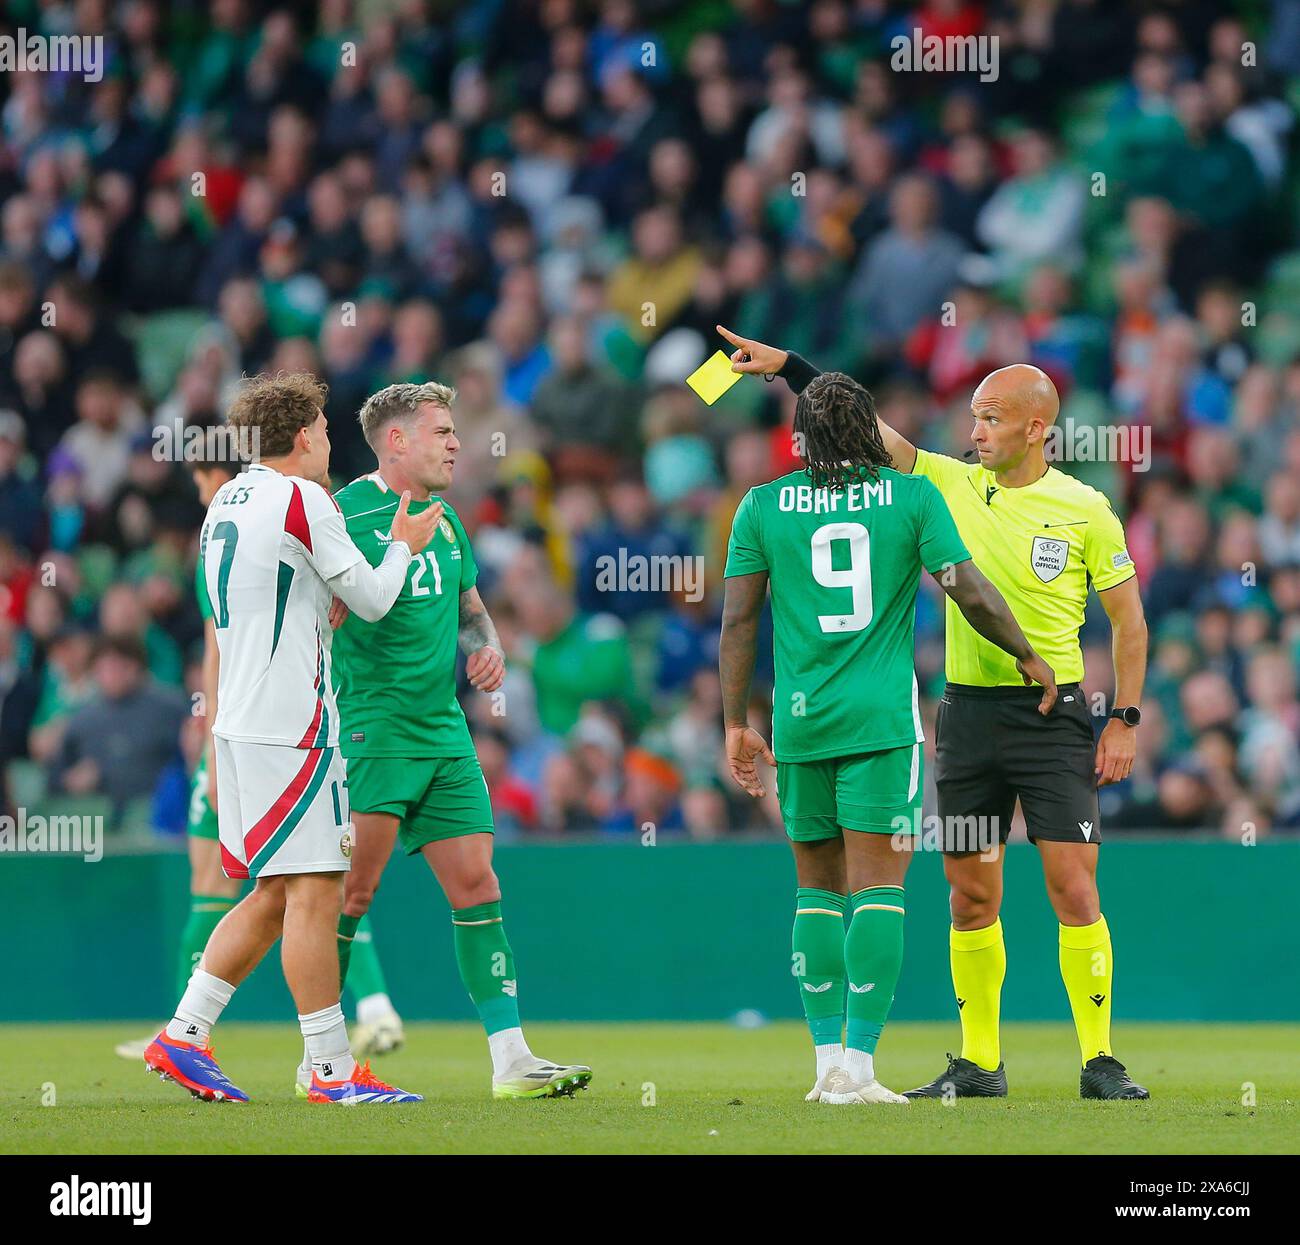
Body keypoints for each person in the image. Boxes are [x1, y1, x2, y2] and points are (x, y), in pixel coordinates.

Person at [720, 325, 1151, 1101]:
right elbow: (853, 425)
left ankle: (1099, 1059)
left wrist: (1124, 715)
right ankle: (980, 1061)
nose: (974, 429)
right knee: (969, 891)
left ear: (1035, 428)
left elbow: (1129, 622)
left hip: (1052, 714)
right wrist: (791, 366)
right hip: (967, 719)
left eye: (990, 417)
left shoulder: (1087, 507)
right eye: (974, 416)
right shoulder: (943, 482)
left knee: (1071, 886)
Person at [143, 373, 439, 1104]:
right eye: (328, 430)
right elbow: (370, 599)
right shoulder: (303, 497)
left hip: (237, 725)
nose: (332, 443)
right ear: (303, 433)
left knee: (277, 894)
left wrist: (315, 601)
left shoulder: (224, 504)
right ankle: (332, 1073)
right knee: (315, 892)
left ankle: (184, 1032)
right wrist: (400, 545)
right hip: (292, 727)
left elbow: (251, 599)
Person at [327, 381, 592, 1100]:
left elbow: (469, 605)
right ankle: (321, 1058)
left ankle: (511, 1058)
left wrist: (488, 644)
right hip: (372, 732)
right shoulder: (344, 515)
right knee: (351, 892)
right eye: (441, 431)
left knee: (479, 884)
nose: (455, 443)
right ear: (397, 441)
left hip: (444, 731)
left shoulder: (446, 520)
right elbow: (323, 618)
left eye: (454, 431)